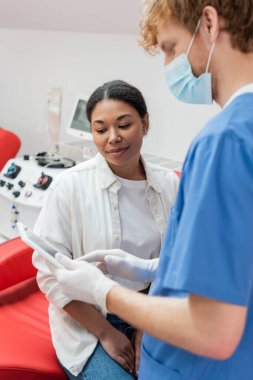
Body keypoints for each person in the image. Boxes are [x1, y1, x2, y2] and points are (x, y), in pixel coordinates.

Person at [49, 1, 253, 379]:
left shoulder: (223, 141)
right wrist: (154, 269)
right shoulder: (69, 186)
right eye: (100, 127)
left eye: (171, 48)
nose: (170, 67)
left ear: (208, 23)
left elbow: (212, 327)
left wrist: (104, 290)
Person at [32, 79, 179, 379]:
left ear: (145, 123)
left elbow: (176, 264)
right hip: (90, 323)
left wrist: (143, 324)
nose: (113, 138)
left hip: (154, 314)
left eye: (124, 125)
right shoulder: (68, 187)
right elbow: (50, 276)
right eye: (100, 129)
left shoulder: (169, 185)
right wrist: (106, 333)